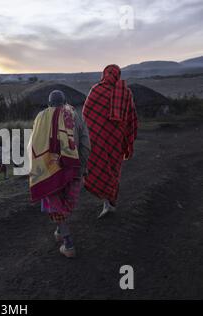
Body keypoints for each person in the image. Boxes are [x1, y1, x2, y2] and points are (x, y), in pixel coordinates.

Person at [28, 90, 90, 258]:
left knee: (56, 206)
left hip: (50, 170)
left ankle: (68, 243)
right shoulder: (75, 115)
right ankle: (59, 230)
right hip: (72, 168)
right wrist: (81, 169)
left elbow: (33, 144)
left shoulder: (41, 117)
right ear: (66, 102)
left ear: (49, 104)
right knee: (65, 204)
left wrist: (36, 168)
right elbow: (85, 144)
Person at [82, 64, 138, 219]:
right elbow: (131, 118)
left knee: (101, 168)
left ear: (105, 74)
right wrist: (128, 137)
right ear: (118, 75)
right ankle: (110, 203)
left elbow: (86, 114)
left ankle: (108, 203)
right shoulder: (125, 93)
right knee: (113, 170)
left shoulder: (96, 90)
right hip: (117, 140)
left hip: (98, 139)